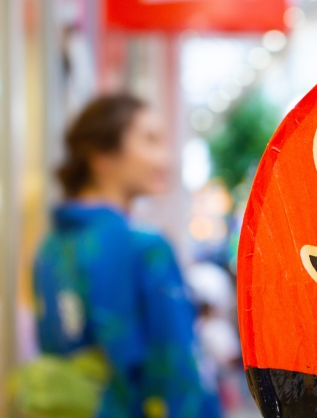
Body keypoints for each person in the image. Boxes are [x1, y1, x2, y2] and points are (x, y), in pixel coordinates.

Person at [32, 94, 223, 418]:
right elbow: (179, 374)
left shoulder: (50, 248)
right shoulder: (145, 249)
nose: (165, 158)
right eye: (150, 140)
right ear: (101, 156)